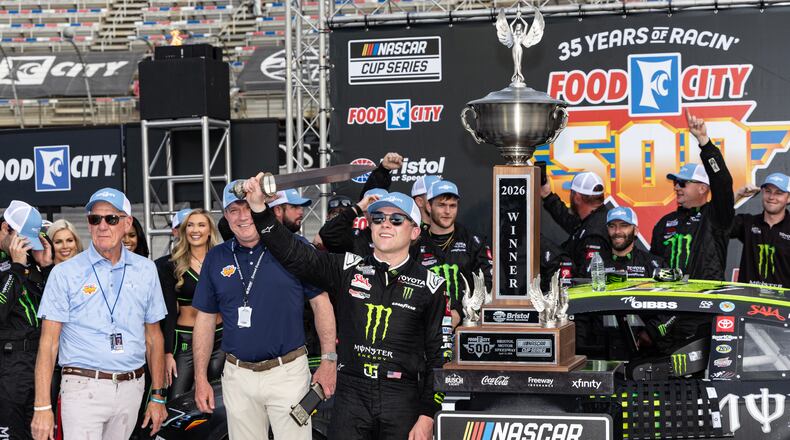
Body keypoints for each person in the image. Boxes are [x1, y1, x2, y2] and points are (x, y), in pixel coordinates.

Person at [244, 177, 446, 440]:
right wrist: (260, 212)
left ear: (415, 231)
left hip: (402, 396)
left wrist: (428, 414)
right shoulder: (349, 268)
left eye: (396, 219)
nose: (385, 224)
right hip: (352, 393)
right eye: (378, 218)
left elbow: (438, 356)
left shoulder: (430, 285)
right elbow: (296, 255)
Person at [191, 181, 336, 440]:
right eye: (233, 210)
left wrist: (328, 360)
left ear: (262, 208)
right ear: (225, 216)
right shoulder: (216, 258)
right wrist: (200, 377)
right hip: (238, 375)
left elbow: (321, 303)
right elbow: (205, 319)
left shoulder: (292, 248)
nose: (242, 216)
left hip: (288, 373)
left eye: (248, 207)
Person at [31, 188, 168, 440]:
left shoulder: (146, 270)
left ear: (127, 223)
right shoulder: (65, 273)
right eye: (95, 219)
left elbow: (154, 338)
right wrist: (42, 406)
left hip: (132, 387)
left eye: (111, 219)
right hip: (83, 388)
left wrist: (158, 395)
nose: (102, 226)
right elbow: (48, 343)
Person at [650, 110, 735, 281]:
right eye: (675, 183)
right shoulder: (665, 222)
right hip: (671, 300)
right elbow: (655, 266)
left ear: (703, 188)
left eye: (683, 183)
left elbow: (722, 182)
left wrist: (705, 143)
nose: (677, 188)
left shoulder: (716, 216)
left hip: (706, 300)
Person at [0, 201, 53, 440]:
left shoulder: (33, 262)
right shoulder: (18, 264)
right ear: (5, 229)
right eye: (22, 240)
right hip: (7, 366)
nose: (26, 247)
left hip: (39, 363)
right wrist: (17, 268)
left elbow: (55, 309)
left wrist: (48, 267)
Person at [159, 208, 224, 400]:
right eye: (190, 225)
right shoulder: (171, 264)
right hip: (185, 339)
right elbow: (169, 312)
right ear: (184, 230)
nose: (195, 230)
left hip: (220, 336)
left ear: (210, 230)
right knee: (177, 396)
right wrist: (167, 352)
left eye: (201, 225)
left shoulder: (221, 260)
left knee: (219, 396)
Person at [541, 171, 610, 276]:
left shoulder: (594, 235)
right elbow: (571, 222)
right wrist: (548, 196)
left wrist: (539, 242)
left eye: (571, 192)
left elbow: (587, 279)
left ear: (577, 198)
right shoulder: (598, 217)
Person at [730, 173, 790, 287]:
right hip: (747, 299)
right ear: (762, 193)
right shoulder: (748, 222)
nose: (771, 197)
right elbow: (717, 222)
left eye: (779, 193)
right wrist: (738, 194)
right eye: (768, 191)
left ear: (788, 198)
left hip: (783, 302)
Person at [604, 207, 665, 278]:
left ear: (635, 230)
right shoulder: (596, 263)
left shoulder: (653, 264)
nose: (617, 231)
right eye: (612, 226)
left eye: (624, 226)